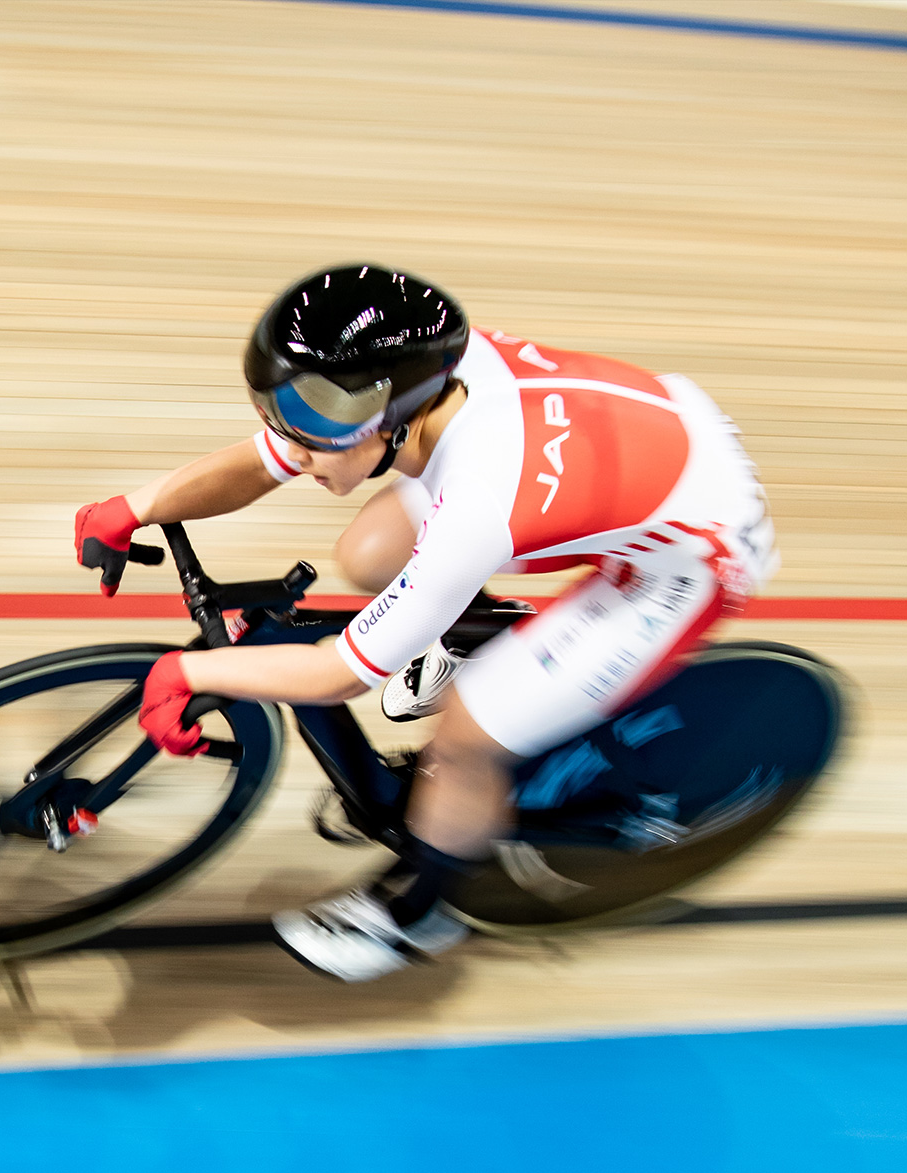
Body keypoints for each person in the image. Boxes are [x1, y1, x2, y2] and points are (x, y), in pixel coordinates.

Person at [72, 264, 777, 982]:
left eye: (316, 429)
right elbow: (265, 460)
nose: (298, 444)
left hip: (686, 563)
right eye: (284, 408)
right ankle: (492, 638)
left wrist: (189, 669)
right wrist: (137, 506)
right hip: (645, 455)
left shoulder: (478, 503)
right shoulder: (408, 385)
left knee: (463, 739)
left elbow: (340, 673)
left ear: (398, 413)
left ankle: (421, 914)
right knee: (367, 552)